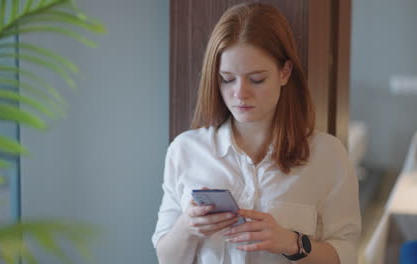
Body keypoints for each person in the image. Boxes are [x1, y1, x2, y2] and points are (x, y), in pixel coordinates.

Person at [152, 2, 361, 264]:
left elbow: (347, 255)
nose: (240, 93)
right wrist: (188, 227)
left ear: (284, 73)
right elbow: (166, 258)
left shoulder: (328, 155)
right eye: (227, 78)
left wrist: (291, 243)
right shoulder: (185, 150)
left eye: (257, 79)